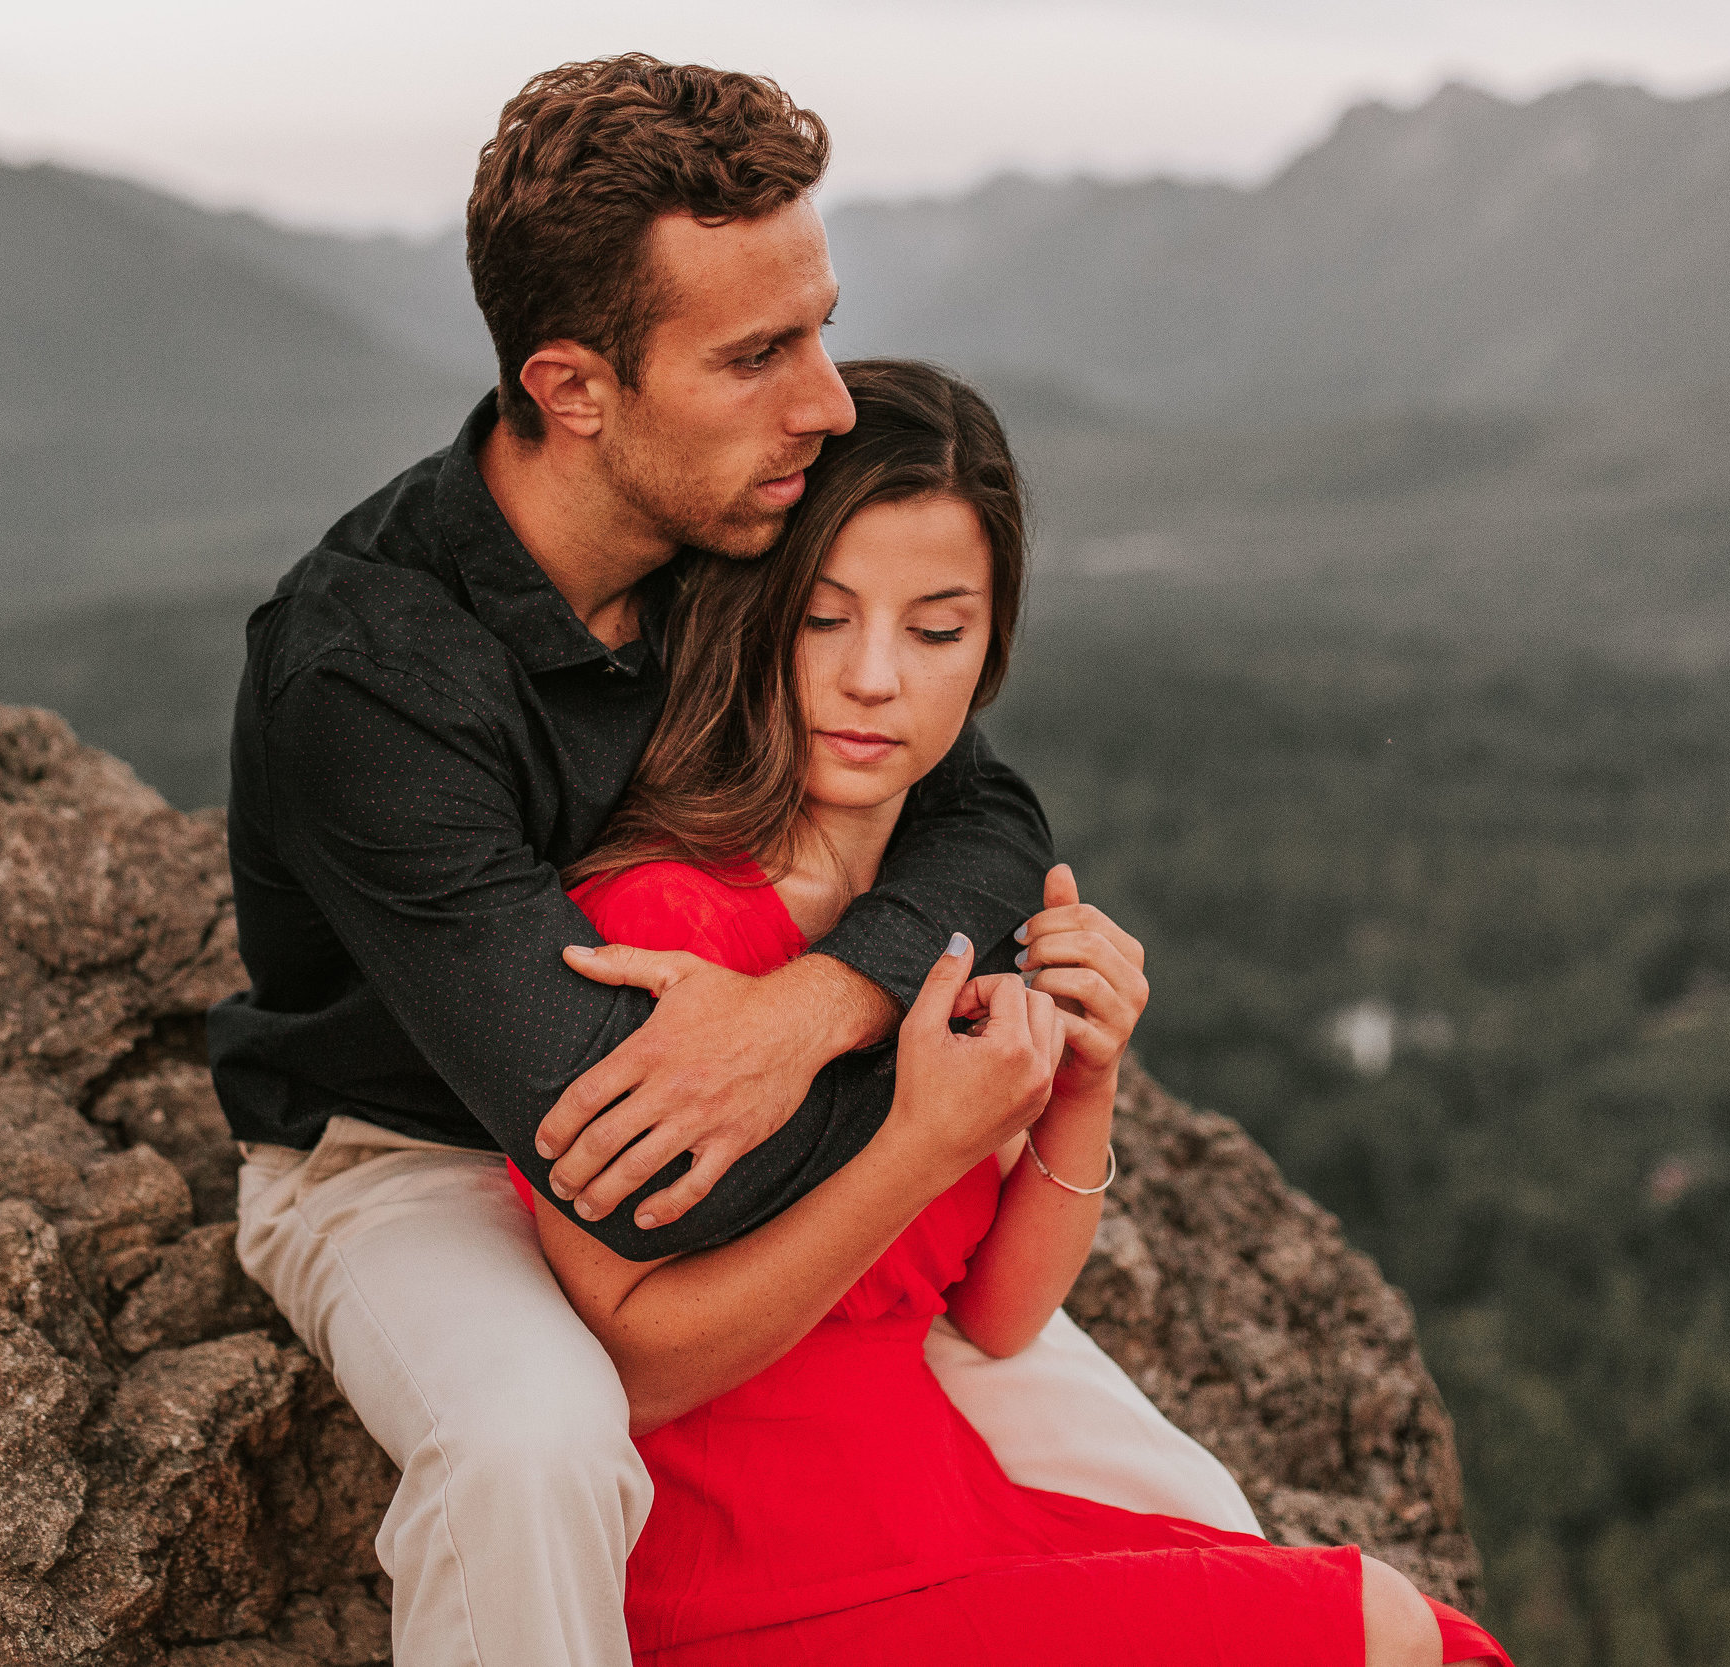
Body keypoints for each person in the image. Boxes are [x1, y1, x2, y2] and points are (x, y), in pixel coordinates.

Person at [213, 55, 1254, 1667]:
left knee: (1195, 1522)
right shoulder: (367, 675)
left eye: (822, 325)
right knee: (531, 1447)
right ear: (573, 388)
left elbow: (986, 816)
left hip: (785, 1104)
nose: (829, 403)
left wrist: (820, 1008)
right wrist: (940, 1107)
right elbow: (639, 1165)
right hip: (410, 1153)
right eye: (761, 353)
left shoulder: (738, 535)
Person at [518, 358, 1511, 1667]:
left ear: (988, 653)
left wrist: (1083, 1083)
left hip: (943, 1526)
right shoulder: (654, 924)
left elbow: (992, 1318)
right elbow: (639, 1365)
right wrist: (920, 1144)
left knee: (1422, 1629)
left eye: (937, 631)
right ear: (745, 609)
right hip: (759, 1591)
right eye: (824, 619)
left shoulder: (934, 914)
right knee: (1376, 1633)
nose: (878, 677)